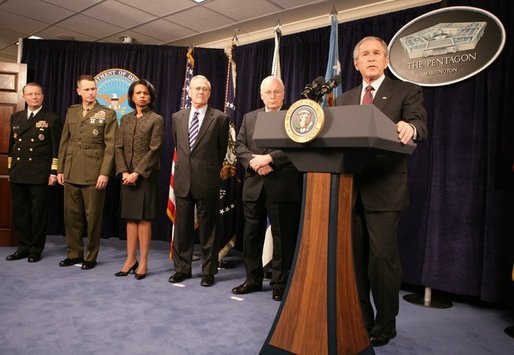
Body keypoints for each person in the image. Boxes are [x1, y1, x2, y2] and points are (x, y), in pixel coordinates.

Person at [336, 36, 428, 346]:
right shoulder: (345, 98)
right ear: (356, 63)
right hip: (349, 190)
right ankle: (361, 317)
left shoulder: (405, 91)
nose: (372, 58)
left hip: (385, 191)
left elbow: (419, 124)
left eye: (377, 53)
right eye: (365, 54)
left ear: (386, 61)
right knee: (354, 259)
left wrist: (409, 127)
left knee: (381, 260)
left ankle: (386, 323)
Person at [231, 76, 301, 301]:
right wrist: (254, 162)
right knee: (251, 236)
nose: (272, 96)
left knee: (283, 237)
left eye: (276, 92)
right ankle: (252, 279)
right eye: (268, 92)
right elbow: (239, 145)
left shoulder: (295, 116)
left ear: (283, 94)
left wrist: (269, 159)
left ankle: (280, 283)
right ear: (261, 95)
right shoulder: (249, 117)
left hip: (282, 186)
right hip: (254, 185)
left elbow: (297, 145)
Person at [168, 75, 229, 287]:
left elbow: (221, 152)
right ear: (189, 92)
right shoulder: (177, 117)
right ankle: (182, 269)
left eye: (205, 89)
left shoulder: (220, 118)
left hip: (207, 181)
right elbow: (180, 148)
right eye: (197, 88)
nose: (201, 92)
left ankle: (208, 272)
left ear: (209, 93)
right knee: (182, 228)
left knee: (208, 230)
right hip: (183, 181)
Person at [57, 74, 117, 270]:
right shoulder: (72, 112)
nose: (91, 93)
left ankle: (90, 256)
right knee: (71, 216)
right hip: (71, 170)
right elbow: (64, 142)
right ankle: (74, 254)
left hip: (94, 173)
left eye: (93, 89)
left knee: (93, 218)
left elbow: (111, 147)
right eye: (87, 89)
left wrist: (104, 173)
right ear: (79, 91)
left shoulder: (107, 113)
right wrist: (60, 169)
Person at [6, 83, 62, 263]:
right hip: (19, 173)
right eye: (30, 94)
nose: (34, 97)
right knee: (21, 212)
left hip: (40, 174)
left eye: (37, 94)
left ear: (42, 96)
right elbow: (11, 148)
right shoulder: (16, 117)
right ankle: (23, 247)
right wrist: (10, 170)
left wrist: (54, 172)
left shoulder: (52, 118)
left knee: (38, 213)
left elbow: (57, 149)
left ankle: (35, 249)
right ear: (24, 97)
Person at [114, 79, 163, 280]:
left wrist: (137, 173)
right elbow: (118, 147)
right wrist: (124, 172)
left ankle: (143, 262)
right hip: (126, 176)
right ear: (132, 97)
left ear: (150, 97)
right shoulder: (125, 119)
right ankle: (130, 259)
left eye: (146, 93)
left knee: (143, 218)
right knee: (130, 218)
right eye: (138, 93)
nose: (142, 96)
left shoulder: (156, 119)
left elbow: (155, 149)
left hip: (146, 176)